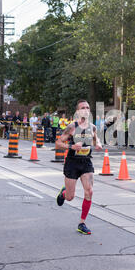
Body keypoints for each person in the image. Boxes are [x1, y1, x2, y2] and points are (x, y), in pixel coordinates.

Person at [55, 100, 103, 235]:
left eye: (88, 107)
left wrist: (98, 144)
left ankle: (82, 223)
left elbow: (95, 139)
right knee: (70, 197)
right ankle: (64, 193)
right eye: (83, 108)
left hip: (86, 162)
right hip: (72, 163)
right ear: (77, 112)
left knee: (89, 191)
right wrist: (71, 146)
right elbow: (58, 143)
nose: (86, 109)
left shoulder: (92, 127)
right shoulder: (72, 127)